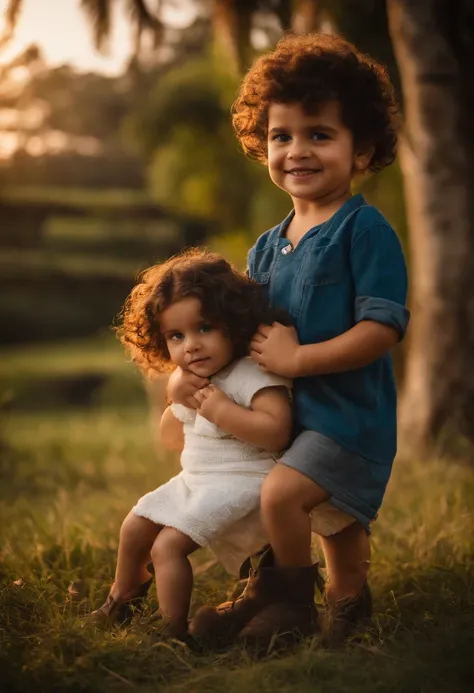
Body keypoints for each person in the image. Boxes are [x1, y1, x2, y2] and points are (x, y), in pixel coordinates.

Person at [183, 32, 410, 647]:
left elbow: (382, 327)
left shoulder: (365, 231)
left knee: (284, 495)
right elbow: (239, 334)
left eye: (319, 134)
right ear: (263, 146)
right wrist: (195, 371)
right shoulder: (266, 245)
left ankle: (288, 603)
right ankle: (347, 601)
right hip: (290, 417)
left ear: (362, 149)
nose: (297, 151)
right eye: (281, 136)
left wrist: (299, 359)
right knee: (335, 521)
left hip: (348, 417)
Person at [86, 249, 294, 640]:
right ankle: (121, 598)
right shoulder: (189, 380)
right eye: (176, 336)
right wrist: (176, 397)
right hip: (198, 479)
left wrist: (221, 410)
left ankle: (173, 630)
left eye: (204, 328)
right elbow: (170, 439)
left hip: (245, 480)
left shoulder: (251, 372)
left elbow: (277, 431)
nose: (191, 346)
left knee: (167, 546)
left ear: (233, 324)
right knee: (134, 526)